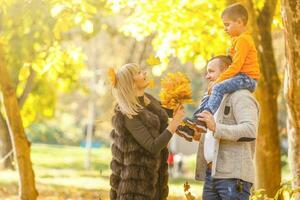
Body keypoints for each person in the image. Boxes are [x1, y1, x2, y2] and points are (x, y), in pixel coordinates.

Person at [180, 3, 260, 134]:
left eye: (227, 24)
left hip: (247, 78)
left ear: (239, 22)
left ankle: (204, 119)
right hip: (240, 77)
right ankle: (197, 120)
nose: (225, 29)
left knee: (217, 87)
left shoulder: (244, 40)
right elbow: (230, 60)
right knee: (210, 90)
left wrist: (219, 80)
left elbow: (236, 65)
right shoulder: (236, 41)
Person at [109, 63, 185, 200]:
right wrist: (174, 124)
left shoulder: (148, 100)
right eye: (138, 73)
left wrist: (178, 95)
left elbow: (169, 112)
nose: (144, 74)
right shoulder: (128, 114)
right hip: (136, 186)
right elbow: (153, 146)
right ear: (132, 84)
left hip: (155, 181)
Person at [193, 55, 260, 199]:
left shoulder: (241, 96)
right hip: (211, 175)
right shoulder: (216, 99)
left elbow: (250, 130)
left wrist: (216, 127)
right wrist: (196, 134)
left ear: (226, 72)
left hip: (233, 178)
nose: (207, 76)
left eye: (211, 71)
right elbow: (214, 134)